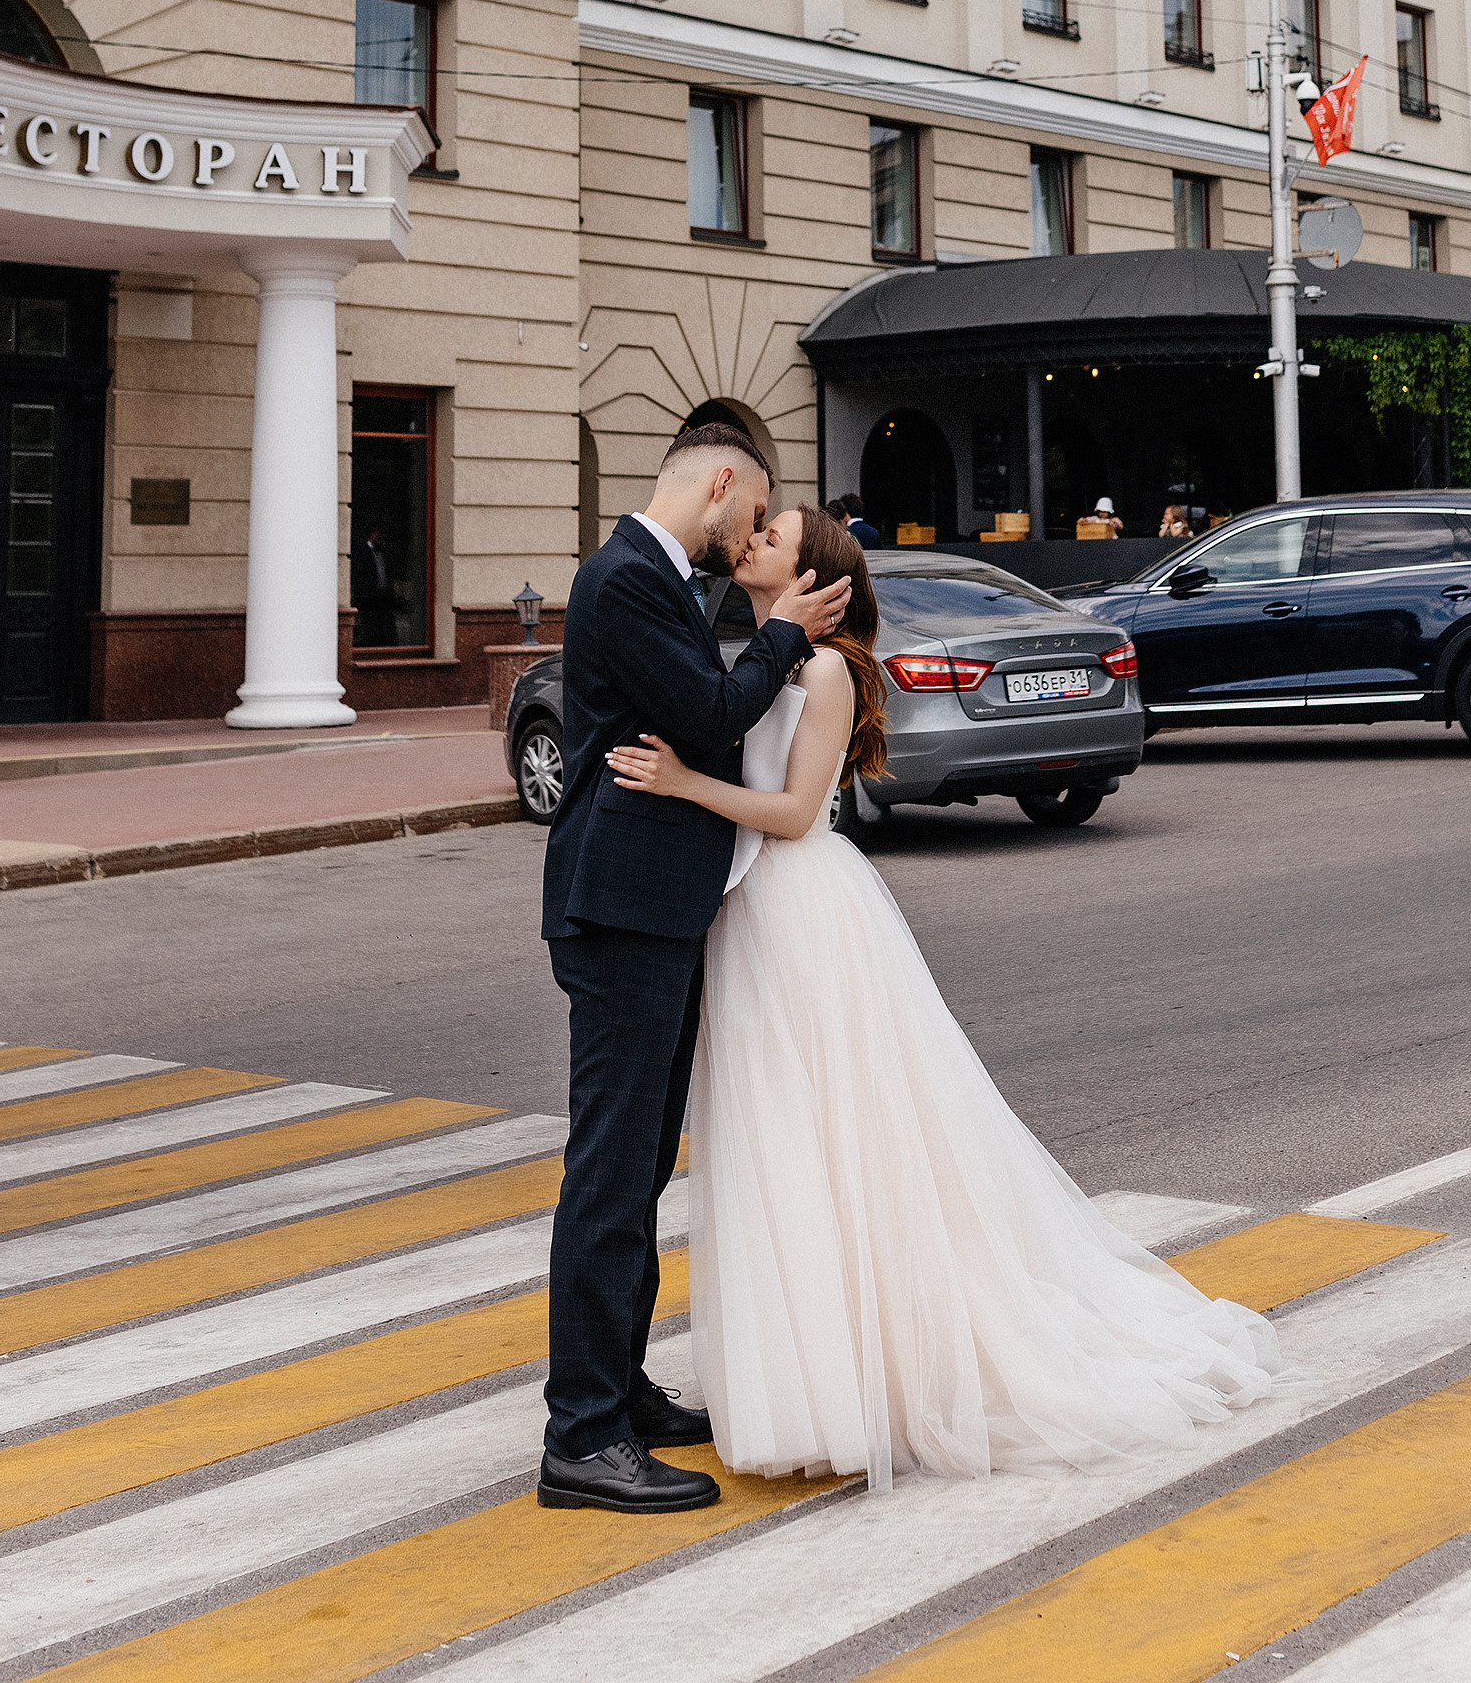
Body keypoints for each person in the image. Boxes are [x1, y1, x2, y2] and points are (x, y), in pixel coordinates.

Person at [608, 502, 1296, 1492]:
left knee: (840, 1137)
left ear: (813, 578)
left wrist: (681, 783)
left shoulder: (825, 670)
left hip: (801, 911)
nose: (752, 539)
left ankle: (881, 1375)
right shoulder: (768, 660)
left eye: (774, 536)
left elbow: (795, 814)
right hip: (755, 915)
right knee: (782, 1139)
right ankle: (819, 1381)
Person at [537, 421, 851, 1519]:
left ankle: (618, 1391)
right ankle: (581, 1436)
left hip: (653, 908)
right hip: (620, 908)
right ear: (721, 483)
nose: (749, 532)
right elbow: (712, 713)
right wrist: (787, 633)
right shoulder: (625, 575)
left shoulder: (659, 576)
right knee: (610, 1174)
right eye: (752, 511)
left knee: (637, 1172)